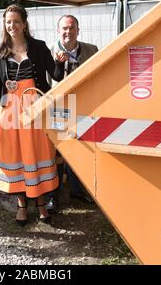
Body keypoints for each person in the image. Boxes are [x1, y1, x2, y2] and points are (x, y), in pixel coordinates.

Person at [0, 4, 62, 226]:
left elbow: (56, 74)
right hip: (10, 110)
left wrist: (60, 61)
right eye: (8, 22)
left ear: (24, 24)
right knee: (17, 156)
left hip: (35, 107)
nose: (12, 26)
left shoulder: (39, 47)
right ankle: (22, 204)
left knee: (36, 153)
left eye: (16, 21)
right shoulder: (0, 51)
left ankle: (41, 202)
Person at [46, 14, 98, 212]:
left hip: (84, 106)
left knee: (81, 147)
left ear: (78, 30)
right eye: (64, 28)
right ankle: (54, 194)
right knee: (57, 151)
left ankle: (78, 190)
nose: (68, 32)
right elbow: (46, 83)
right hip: (58, 109)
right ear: (58, 31)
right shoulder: (49, 52)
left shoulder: (91, 50)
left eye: (72, 28)